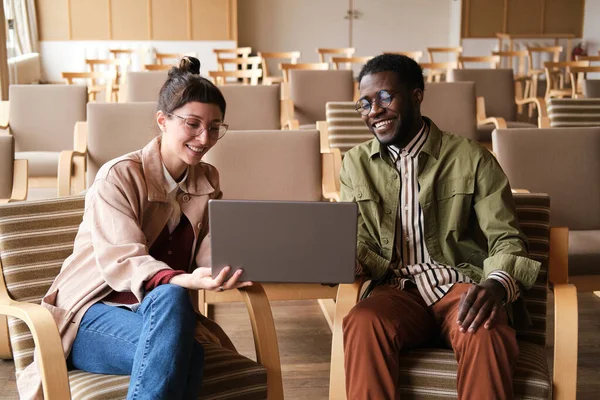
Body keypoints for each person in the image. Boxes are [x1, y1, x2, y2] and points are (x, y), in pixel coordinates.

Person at [19, 57, 252, 400]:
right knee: (181, 325)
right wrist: (183, 279)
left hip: (156, 316)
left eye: (215, 126)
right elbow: (123, 258)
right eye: (193, 124)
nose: (205, 138)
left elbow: (207, 246)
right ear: (162, 120)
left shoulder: (207, 178)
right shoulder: (120, 175)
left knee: (182, 330)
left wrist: (228, 263)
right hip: (88, 314)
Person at [340, 54, 541, 399]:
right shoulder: (355, 164)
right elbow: (358, 242)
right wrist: (342, 258)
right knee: (362, 322)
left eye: (385, 97)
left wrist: (495, 285)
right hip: (397, 291)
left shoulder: (471, 158)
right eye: (365, 103)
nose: (374, 110)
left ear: (416, 95)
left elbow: (506, 238)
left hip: (461, 287)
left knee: (485, 328)